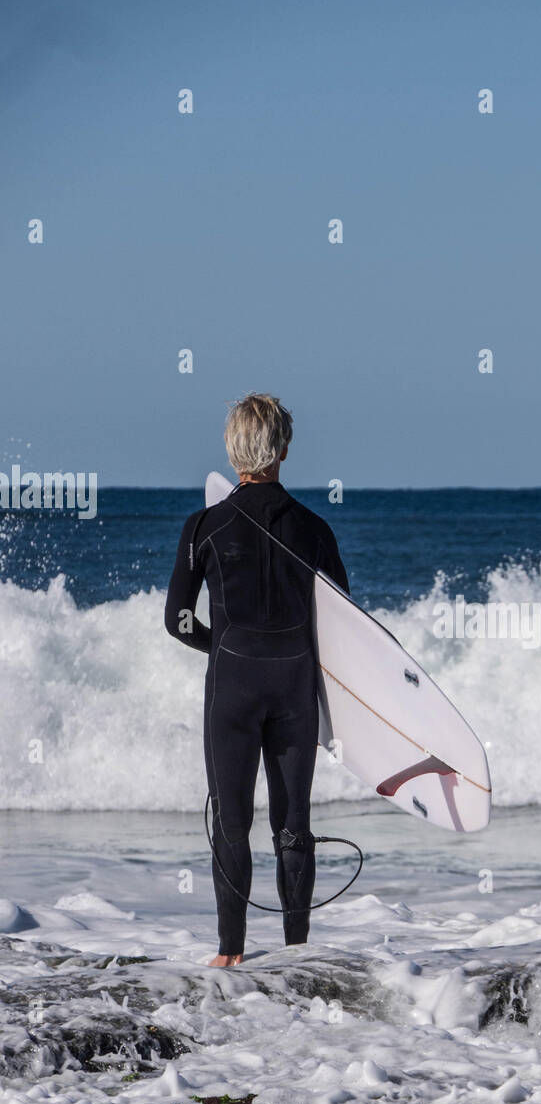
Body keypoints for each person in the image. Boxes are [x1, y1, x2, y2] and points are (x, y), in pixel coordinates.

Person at [165, 394, 349, 967]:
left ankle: (230, 953)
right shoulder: (315, 528)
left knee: (232, 819)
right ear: (284, 449)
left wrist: (219, 644)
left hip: (232, 689)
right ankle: (297, 953)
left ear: (231, 447)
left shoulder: (204, 526)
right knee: (293, 823)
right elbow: (345, 620)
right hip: (294, 691)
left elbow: (177, 619)